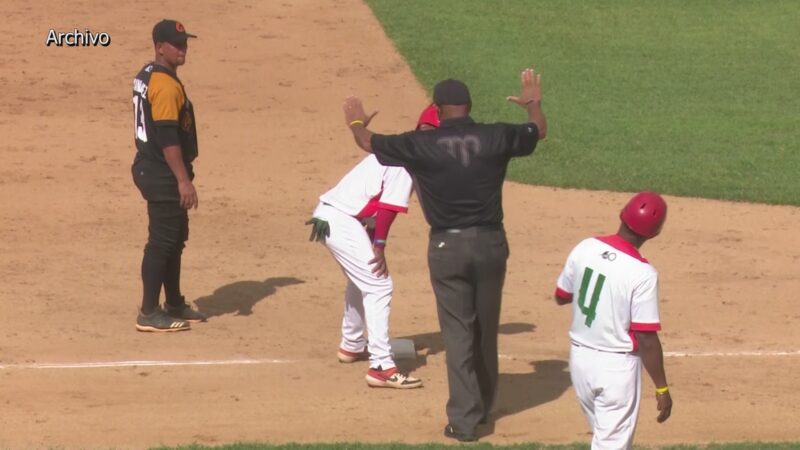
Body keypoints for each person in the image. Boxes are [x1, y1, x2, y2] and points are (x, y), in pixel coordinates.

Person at [341, 68, 547, 441]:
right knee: (485, 329)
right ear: (469, 106)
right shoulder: (495, 135)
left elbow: (368, 142)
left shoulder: (422, 145)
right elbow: (537, 130)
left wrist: (356, 120)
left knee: (458, 334)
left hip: (447, 248)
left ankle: (464, 422)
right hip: (491, 244)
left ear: (437, 110)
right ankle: (484, 408)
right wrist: (533, 103)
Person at [304, 105, 440, 389]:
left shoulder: (401, 150)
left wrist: (372, 239)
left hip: (334, 217)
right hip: (340, 220)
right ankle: (381, 366)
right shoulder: (407, 159)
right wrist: (379, 245)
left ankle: (352, 344)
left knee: (363, 279)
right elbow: (388, 208)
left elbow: (373, 204)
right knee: (379, 284)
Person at [554, 192, 673, 449]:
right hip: (616, 372)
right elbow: (646, 338)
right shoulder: (643, 274)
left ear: (622, 213)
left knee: (605, 439)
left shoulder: (586, 247)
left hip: (580, 363)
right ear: (654, 233)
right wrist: (662, 388)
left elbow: (562, 296)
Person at [131, 19, 206, 332]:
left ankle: (173, 302)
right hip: (162, 171)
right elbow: (168, 138)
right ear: (159, 47)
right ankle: (149, 312)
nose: (182, 48)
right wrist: (183, 180)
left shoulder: (148, 74)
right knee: (162, 242)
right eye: (176, 44)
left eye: (184, 43)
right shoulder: (163, 85)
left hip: (153, 166)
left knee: (175, 239)